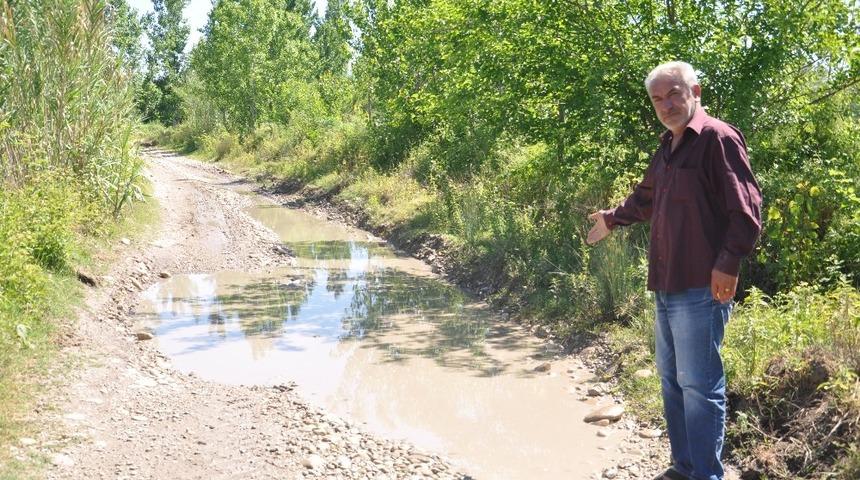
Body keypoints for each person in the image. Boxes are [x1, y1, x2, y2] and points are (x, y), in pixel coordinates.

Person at [586, 61, 762, 480]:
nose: (666, 104)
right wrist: (612, 218)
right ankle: (684, 467)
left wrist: (728, 263)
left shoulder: (718, 137)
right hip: (665, 284)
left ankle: (706, 474)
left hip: (703, 284)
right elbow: (645, 199)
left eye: (674, 94)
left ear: (695, 92)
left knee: (700, 385)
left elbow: (747, 208)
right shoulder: (667, 147)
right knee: (672, 380)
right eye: (658, 98)